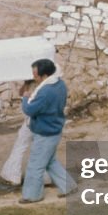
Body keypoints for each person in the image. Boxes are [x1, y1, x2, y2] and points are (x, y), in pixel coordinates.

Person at [19, 59, 77, 204]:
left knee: (35, 165)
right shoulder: (60, 84)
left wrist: (25, 99)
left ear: (44, 75)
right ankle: (68, 186)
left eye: (35, 74)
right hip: (55, 128)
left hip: (45, 132)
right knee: (49, 161)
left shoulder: (45, 91)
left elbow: (29, 110)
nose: (34, 77)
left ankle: (32, 195)